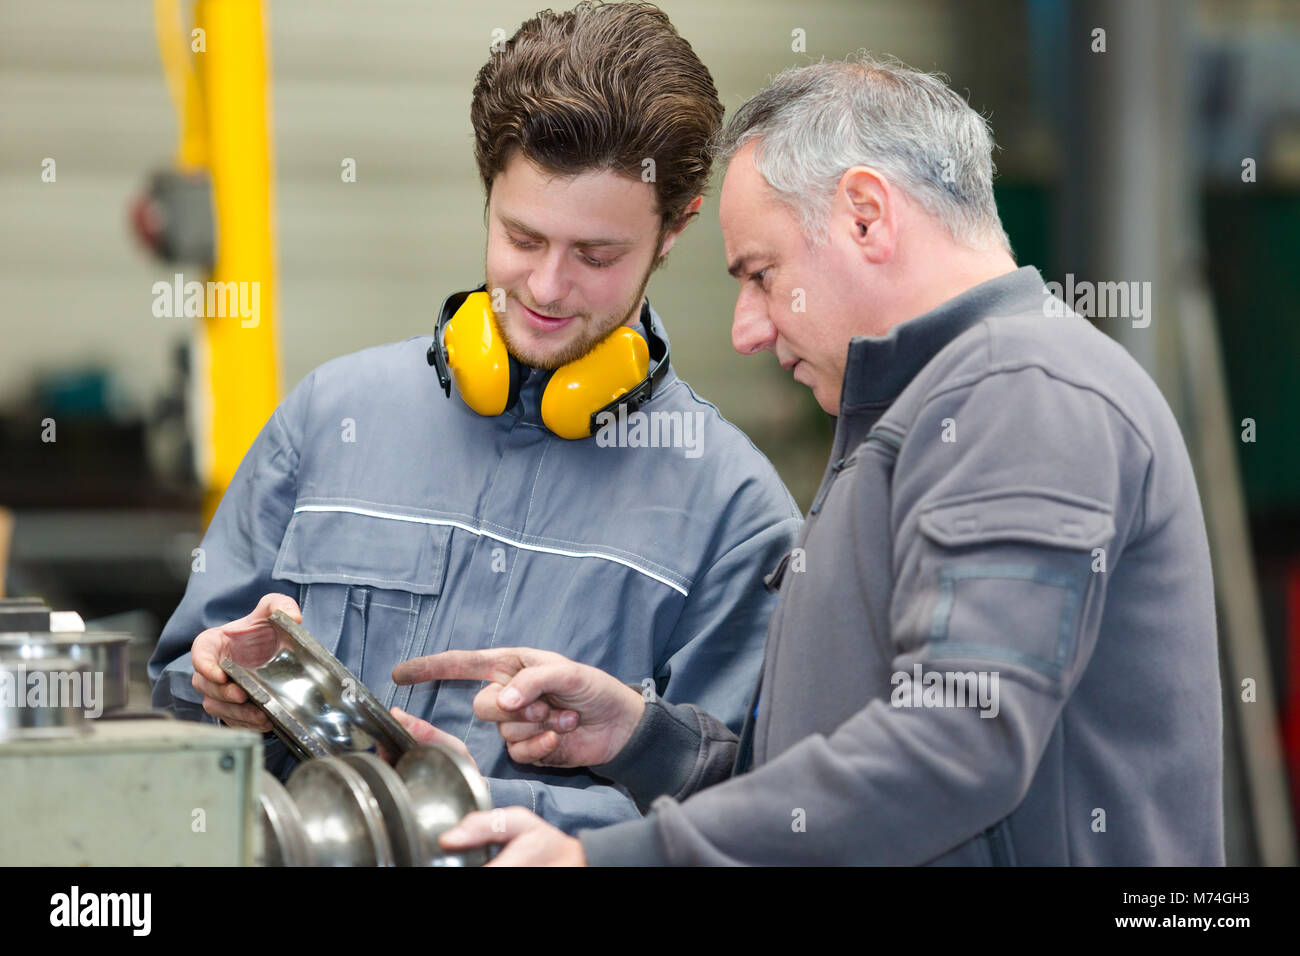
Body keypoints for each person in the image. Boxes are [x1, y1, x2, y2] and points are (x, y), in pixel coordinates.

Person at [400, 54, 1225, 865]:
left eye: (762, 276)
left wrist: (613, 860)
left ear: (867, 214)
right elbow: (826, 795)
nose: (746, 330)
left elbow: (951, 751)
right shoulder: (923, 410)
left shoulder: (1020, 395)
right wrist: (640, 739)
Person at [147, 2, 801, 834]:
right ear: (487, 189)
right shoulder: (329, 418)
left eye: (596, 256)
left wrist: (495, 807)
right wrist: (215, 686)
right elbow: (175, 710)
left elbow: (740, 817)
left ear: (675, 228)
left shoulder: (737, 516)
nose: (548, 287)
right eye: (522, 238)